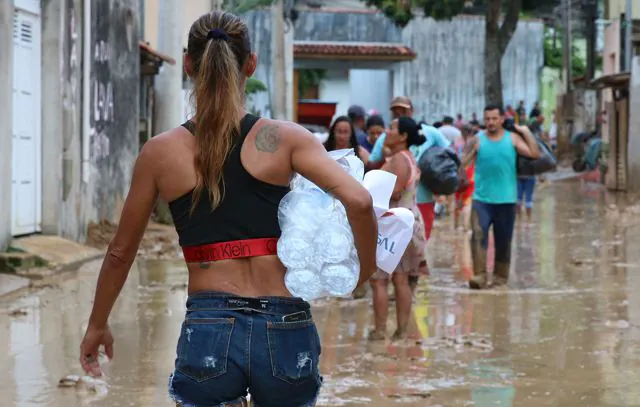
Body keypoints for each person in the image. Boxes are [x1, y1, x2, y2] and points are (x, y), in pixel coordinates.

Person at [78, 11, 377, 407]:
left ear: (187, 64)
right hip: (285, 322)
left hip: (208, 323)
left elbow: (120, 252)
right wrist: (363, 274)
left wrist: (97, 324)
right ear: (250, 65)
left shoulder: (160, 153)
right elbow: (359, 201)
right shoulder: (286, 138)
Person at [461, 104, 540, 289]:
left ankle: (500, 277)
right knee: (478, 236)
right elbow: (462, 163)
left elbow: (534, 154)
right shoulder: (477, 140)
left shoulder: (512, 139)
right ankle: (479, 275)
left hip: (506, 199)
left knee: (503, 239)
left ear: (502, 119)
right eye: (487, 119)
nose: (490, 122)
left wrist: (526, 132)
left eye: (494, 118)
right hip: (481, 199)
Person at [369, 117, 427, 341]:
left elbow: (391, 193)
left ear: (403, 136)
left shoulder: (398, 161)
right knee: (401, 279)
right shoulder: (408, 158)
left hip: (393, 225)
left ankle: (379, 331)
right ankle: (401, 332)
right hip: (408, 222)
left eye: (392, 128)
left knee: (379, 280)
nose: (387, 131)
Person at [409, 121, 451, 290]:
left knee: (421, 242)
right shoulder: (392, 135)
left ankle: (413, 284)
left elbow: (449, 152)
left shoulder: (432, 133)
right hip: (401, 201)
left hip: (424, 199)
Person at [367, 96, 413, 169]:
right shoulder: (385, 137)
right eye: (396, 113)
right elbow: (370, 165)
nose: (400, 116)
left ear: (411, 111)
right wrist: (386, 158)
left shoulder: (427, 132)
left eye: (403, 111)